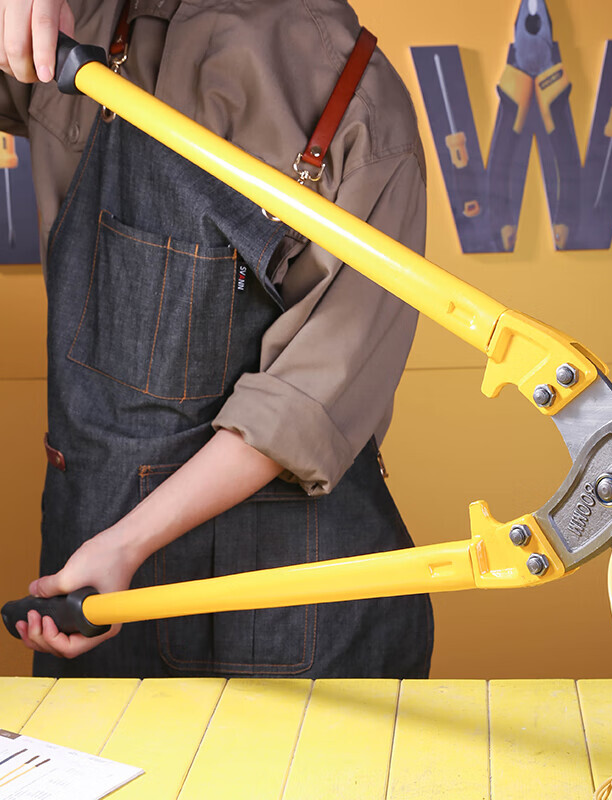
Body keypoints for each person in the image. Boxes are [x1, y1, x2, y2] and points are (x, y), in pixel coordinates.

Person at [0, 0, 433, 678]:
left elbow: (299, 407)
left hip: (293, 607)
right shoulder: (76, 22)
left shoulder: (360, 101)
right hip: (93, 573)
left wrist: (125, 545)